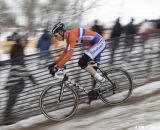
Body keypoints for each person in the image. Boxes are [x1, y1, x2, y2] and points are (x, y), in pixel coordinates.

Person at [3, 35, 36, 125]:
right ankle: (7, 117)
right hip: (14, 77)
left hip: (18, 76)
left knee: (14, 95)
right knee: (12, 97)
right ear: (18, 41)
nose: (25, 42)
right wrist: (30, 77)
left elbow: (22, 65)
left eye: (25, 41)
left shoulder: (19, 49)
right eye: (23, 41)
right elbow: (21, 65)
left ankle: (8, 113)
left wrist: (29, 76)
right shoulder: (17, 50)